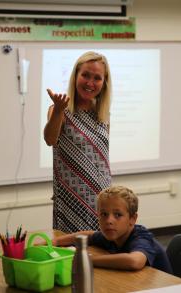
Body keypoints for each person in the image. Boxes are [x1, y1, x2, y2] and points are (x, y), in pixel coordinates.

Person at [44, 51, 112, 233]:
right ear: (76, 76)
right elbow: (50, 139)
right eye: (85, 75)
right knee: (74, 256)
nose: (90, 83)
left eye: (97, 78)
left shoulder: (103, 114)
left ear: (104, 83)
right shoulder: (60, 110)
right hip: (73, 201)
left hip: (103, 199)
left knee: (101, 254)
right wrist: (58, 110)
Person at [51, 185, 173, 273]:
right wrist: (54, 242)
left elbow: (134, 261)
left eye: (118, 215)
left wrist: (88, 260)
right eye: (104, 214)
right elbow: (87, 235)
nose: (109, 221)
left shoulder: (141, 237)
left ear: (132, 219)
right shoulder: (112, 234)